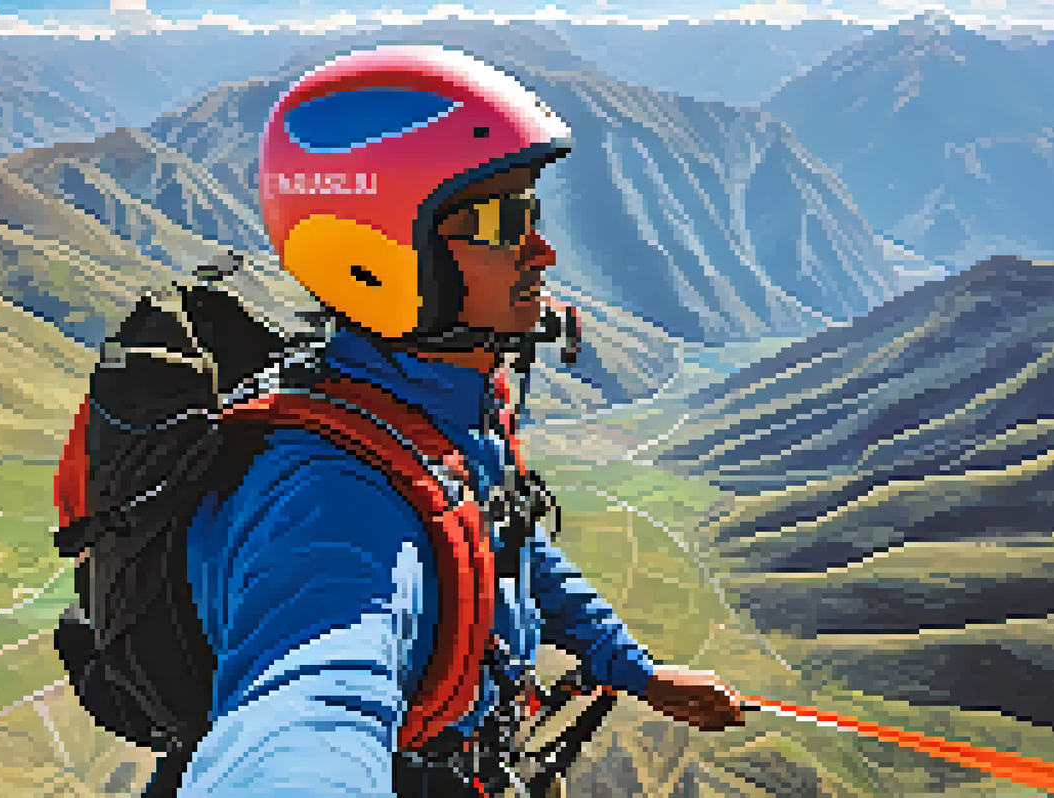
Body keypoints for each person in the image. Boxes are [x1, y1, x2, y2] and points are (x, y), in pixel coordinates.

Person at [153, 45, 746, 796]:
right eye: (504, 221)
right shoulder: (333, 498)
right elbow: (312, 704)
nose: (543, 250)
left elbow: (493, 545)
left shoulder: (432, 418)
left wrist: (632, 667)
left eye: (531, 211)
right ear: (379, 252)